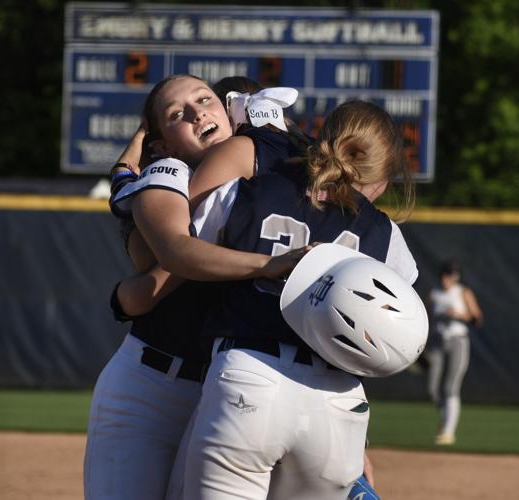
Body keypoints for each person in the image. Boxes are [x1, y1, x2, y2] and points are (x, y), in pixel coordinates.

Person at [174, 98, 418, 500]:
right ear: (384, 175)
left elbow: (186, 256)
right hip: (337, 404)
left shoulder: (251, 190)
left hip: (248, 376)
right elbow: (393, 337)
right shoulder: (386, 235)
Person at [83, 74, 307, 500]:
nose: (197, 111)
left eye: (205, 99)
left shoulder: (282, 184)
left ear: (231, 110)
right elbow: (150, 268)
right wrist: (261, 263)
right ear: (161, 144)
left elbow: (137, 292)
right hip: (153, 385)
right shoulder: (169, 180)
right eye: (177, 114)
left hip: (239, 397)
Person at [426, 259, 483, 445]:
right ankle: (446, 418)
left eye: (452, 276)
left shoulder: (463, 292)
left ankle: (449, 433)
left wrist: (459, 315)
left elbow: (477, 318)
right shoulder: (434, 293)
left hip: (458, 341)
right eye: (447, 275)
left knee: (451, 387)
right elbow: (424, 317)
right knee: (433, 389)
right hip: (438, 342)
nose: (448, 279)